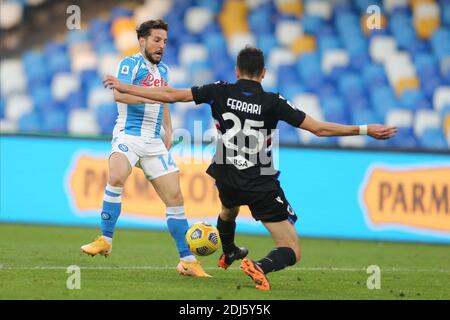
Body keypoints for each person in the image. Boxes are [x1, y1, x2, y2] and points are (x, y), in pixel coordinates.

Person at [103, 46, 397, 290]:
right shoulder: (273, 101)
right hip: (259, 178)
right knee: (291, 248)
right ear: (264, 73)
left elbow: (171, 95)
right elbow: (318, 129)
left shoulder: (219, 90)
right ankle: (259, 266)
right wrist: (365, 129)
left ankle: (228, 249)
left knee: (228, 210)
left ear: (236, 71)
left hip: (225, 173)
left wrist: (125, 87)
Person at [81, 19, 211, 278]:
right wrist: (151, 95)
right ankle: (105, 239)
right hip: (129, 134)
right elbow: (120, 94)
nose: (161, 45)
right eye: (156, 40)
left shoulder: (163, 71)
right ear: (142, 41)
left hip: (154, 141)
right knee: (116, 176)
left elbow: (165, 102)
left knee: (175, 198)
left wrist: (169, 130)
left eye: (164, 41)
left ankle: (187, 260)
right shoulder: (129, 64)